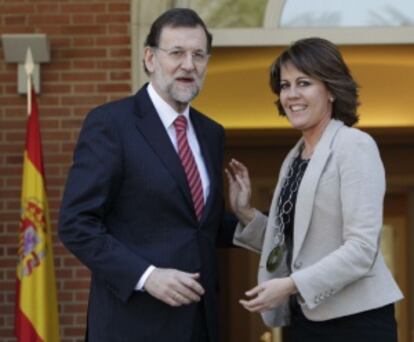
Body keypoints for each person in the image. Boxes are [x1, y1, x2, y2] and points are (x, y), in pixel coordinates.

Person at [59, 8, 235, 342]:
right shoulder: (111, 124)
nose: (189, 64)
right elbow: (76, 223)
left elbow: (198, 228)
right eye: (177, 53)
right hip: (132, 324)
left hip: (200, 324)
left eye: (198, 55)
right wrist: (147, 276)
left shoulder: (211, 133)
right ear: (150, 58)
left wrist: (248, 220)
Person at [226, 37, 403, 342]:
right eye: (284, 85)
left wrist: (291, 284)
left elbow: (362, 250)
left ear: (332, 89)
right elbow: (296, 244)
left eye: (303, 83)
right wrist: (246, 212)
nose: (291, 95)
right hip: (305, 319)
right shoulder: (295, 158)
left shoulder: (354, 146)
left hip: (356, 324)